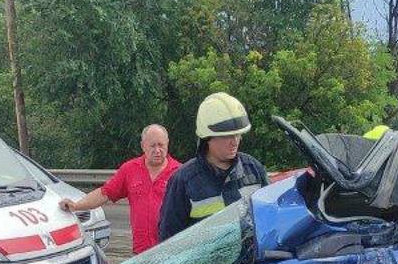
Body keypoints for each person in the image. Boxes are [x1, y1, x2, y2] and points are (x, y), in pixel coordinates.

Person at [158, 93, 268, 241]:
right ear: (207, 138)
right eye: (227, 135)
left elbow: (268, 219)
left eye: (238, 134)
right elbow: (168, 240)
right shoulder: (184, 181)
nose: (235, 141)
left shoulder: (253, 169)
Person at [60, 124, 178, 255]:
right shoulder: (130, 170)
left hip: (171, 252)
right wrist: (76, 205)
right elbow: (104, 193)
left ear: (167, 144)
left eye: (161, 145)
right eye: (152, 146)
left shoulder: (179, 173)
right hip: (140, 253)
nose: (157, 150)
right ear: (143, 146)